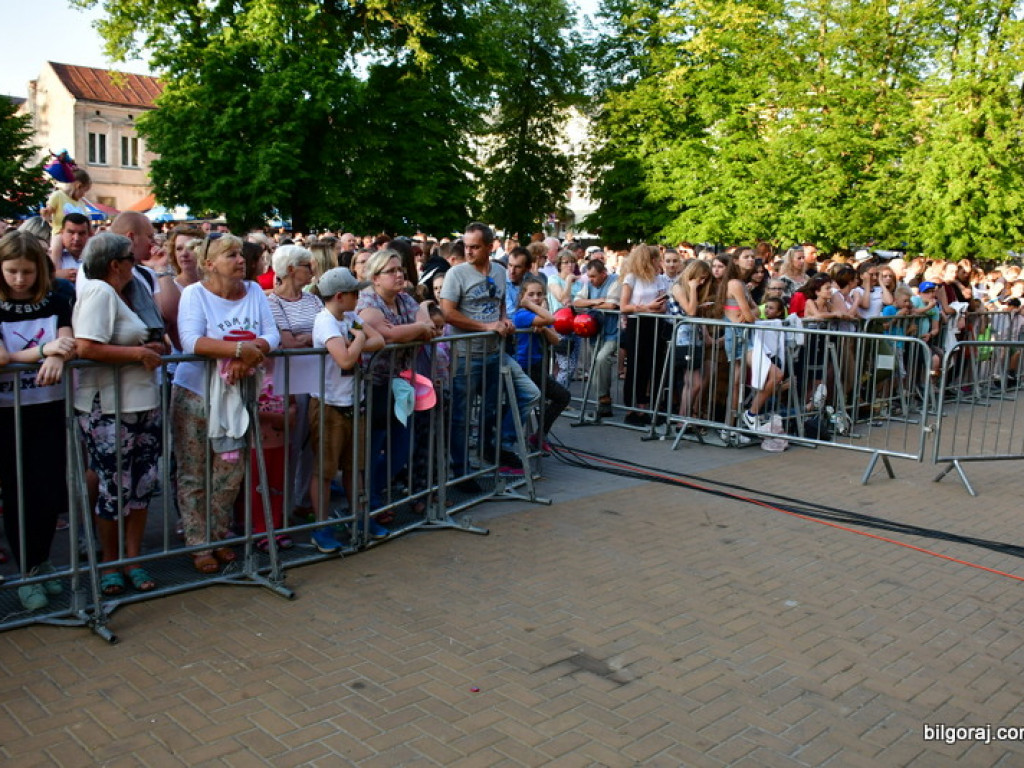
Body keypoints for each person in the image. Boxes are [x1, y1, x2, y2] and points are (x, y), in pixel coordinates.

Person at [172, 233, 280, 574]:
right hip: (196, 394)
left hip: (238, 395)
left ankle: (219, 536)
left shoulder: (255, 294)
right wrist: (237, 351)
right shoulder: (195, 294)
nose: (240, 260)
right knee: (194, 471)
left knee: (229, 473)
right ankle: (197, 542)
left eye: (240, 254)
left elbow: (271, 334)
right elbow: (191, 340)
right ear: (209, 264)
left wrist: (247, 358)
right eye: (230, 254)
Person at [73, 232, 166, 596]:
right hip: (108, 407)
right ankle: (112, 561)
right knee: (114, 488)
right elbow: (86, 346)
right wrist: (137, 355)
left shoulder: (127, 293)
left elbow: (134, 339)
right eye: (131, 257)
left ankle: (132, 559)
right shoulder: (99, 291)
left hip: (140, 403)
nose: (136, 262)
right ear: (115, 264)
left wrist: (152, 346)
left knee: (141, 485)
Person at [0, 231, 76, 610]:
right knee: (18, 493)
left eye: (26, 272)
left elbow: (67, 341)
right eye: (11, 271)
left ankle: (42, 559)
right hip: (7, 414)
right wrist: (44, 350)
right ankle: (27, 570)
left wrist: (58, 355)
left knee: (47, 490)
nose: (19, 280)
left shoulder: (57, 298)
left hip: (47, 406)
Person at [441, 223, 537, 487]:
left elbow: (499, 305)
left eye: (475, 247)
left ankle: (487, 459)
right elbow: (447, 312)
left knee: (491, 409)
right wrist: (485, 326)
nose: (469, 251)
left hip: (494, 352)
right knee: (460, 416)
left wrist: (504, 321)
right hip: (465, 355)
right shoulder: (456, 274)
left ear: (489, 246)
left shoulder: (499, 270)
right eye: (466, 246)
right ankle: (461, 472)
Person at [357, 249, 439, 520]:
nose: (399, 274)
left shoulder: (404, 299)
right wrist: (415, 329)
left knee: (401, 447)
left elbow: (427, 327)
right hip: (373, 384)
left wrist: (422, 313)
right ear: (376, 277)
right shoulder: (367, 300)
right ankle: (370, 501)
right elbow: (387, 334)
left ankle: (377, 494)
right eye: (391, 271)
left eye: (401, 269)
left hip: (400, 382)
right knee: (374, 445)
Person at [308, 268, 385, 552]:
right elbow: (344, 359)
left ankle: (359, 518)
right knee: (325, 471)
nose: (359, 296)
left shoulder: (350, 318)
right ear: (340, 296)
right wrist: (359, 341)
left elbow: (380, 340)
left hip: (354, 402)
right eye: (355, 292)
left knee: (356, 466)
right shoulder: (325, 321)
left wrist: (358, 341)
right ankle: (321, 526)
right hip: (329, 405)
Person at [266, 245, 323, 520]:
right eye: (307, 266)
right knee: (291, 446)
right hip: (290, 382)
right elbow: (286, 342)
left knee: (313, 446)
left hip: (316, 379)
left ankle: (302, 500)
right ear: (290, 269)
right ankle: (282, 508)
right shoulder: (272, 302)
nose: (312, 271)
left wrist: (308, 338)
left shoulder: (313, 300)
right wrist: (311, 337)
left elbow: (328, 331)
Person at [514, 276, 571, 447]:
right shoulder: (522, 314)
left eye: (539, 294)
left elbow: (555, 340)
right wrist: (530, 305)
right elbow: (551, 319)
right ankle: (530, 437)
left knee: (558, 397)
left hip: (538, 364)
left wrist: (544, 329)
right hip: (525, 366)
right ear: (523, 296)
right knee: (558, 397)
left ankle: (539, 435)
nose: (536, 298)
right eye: (531, 294)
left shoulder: (540, 316)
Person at [619, 244, 669, 425]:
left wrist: (658, 307)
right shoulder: (631, 278)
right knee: (636, 366)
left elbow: (664, 305)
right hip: (637, 323)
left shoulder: (660, 279)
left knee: (654, 365)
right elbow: (624, 306)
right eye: (656, 259)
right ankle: (632, 408)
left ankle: (648, 407)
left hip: (655, 322)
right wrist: (646, 307)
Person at [572, 259, 620, 418]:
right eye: (589, 276)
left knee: (601, 359)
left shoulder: (615, 281)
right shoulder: (589, 284)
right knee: (594, 368)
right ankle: (602, 402)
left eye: (593, 276)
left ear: (603, 274)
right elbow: (577, 302)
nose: (591, 280)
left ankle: (604, 398)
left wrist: (589, 305)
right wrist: (595, 302)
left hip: (612, 332)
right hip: (595, 333)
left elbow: (612, 305)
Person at [668, 259, 713, 428]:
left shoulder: (691, 289)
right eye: (700, 278)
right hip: (683, 339)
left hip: (695, 338)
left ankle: (683, 418)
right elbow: (691, 310)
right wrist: (693, 288)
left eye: (704, 279)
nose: (702, 282)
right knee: (694, 383)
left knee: (691, 382)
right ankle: (683, 418)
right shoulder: (678, 287)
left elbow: (695, 312)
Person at [42, 168, 92, 264]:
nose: (83, 195)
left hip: (78, 235)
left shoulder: (81, 203)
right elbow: (49, 211)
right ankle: (55, 267)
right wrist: (45, 212)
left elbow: (86, 221)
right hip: (60, 232)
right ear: (78, 186)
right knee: (57, 242)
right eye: (84, 191)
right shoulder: (58, 196)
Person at [547, 249, 581, 387]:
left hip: (575, 326)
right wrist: (567, 281)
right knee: (567, 366)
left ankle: (558, 396)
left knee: (564, 366)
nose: (569, 265)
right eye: (566, 262)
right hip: (559, 325)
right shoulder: (553, 279)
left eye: (572, 262)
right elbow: (562, 298)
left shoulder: (578, 283)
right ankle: (559, 399)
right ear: (559, 264)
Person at [51, 212, 92, 283]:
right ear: (62, 232)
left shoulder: (96, 258)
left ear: (89, 234)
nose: (76, 238)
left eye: (81, 233)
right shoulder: (52, 256)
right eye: (71, 232)